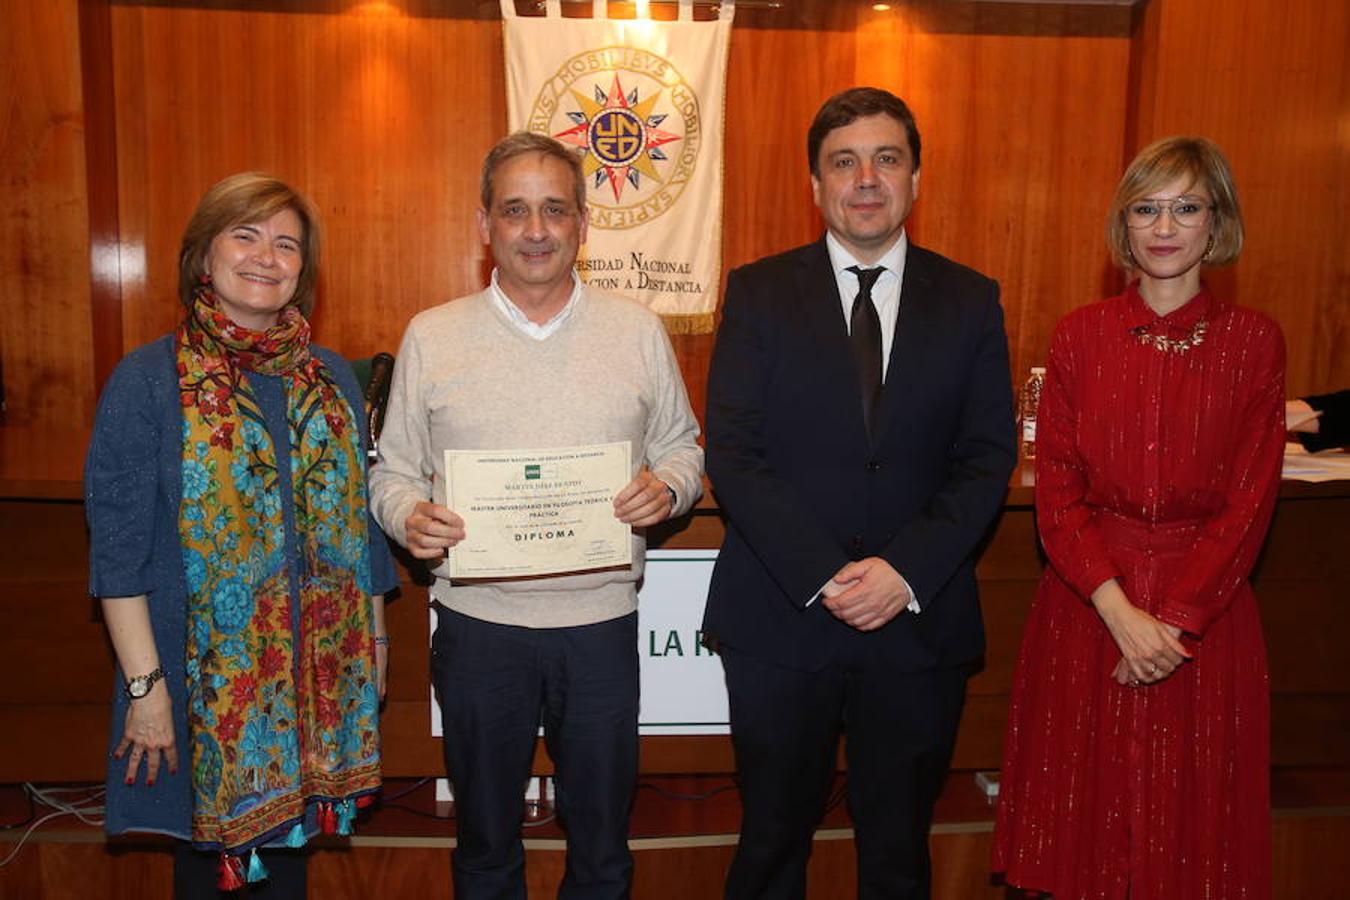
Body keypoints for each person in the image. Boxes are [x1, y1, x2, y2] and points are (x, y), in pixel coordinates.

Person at [368, 131, 703, 900]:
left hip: (600, 628)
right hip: (480, 629)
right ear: (484, 225)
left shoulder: (637, 330)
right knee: (485, 845)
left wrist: (670, 489)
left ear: (585, 224)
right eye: (515, 210)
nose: (537, 229)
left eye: (555, 209)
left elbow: (684, 446)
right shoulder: (433, 333)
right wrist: (409, 516)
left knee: (603, 848)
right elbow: (393, 472)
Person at [703, 87, 1017, 900]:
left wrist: (902, 572)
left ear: (916, 178)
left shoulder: (971, 299)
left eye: (887, 158)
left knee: (898, 850)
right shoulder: (758, 293)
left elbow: (986, 458)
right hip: (783, 617)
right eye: (844, 162)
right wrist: (825, 574)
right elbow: (734, 452)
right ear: (816, 185)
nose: (866, 178)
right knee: (771, 840)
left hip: (916, 623)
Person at [85, 172, 398, 897]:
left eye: (286, 244)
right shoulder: (150, 379)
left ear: (303, 270)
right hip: (198, 686)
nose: (267, 256)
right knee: (209, 872)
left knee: (289, 871)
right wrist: (146, 689)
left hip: (318, 684)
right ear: (204, 256)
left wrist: (375, 645)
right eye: (246, 235)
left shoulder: (330, 379)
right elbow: (118, 554)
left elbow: (357, 532)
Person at [992, 137, 1285, 898]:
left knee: (1195, 844)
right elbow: (1056, 494)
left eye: (1186, 208)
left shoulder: (1254, 343)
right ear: (1124, 226)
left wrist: (1176, 622)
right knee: (1079, 832)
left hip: (1207, 622)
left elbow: (1250, 503)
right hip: (1086, 610)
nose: (1164, 226)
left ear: (1216, 225)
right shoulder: (1079, 336)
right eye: (1147, 209)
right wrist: (1120, 611)